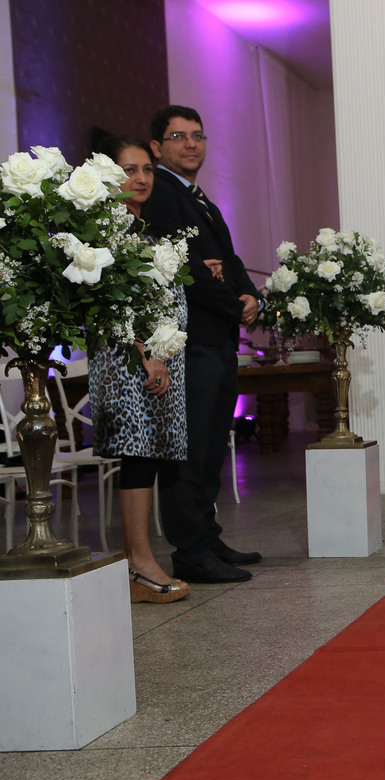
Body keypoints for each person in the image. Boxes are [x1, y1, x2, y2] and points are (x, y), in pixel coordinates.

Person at [141, 105, 263, 584]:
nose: (191, 144)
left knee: (212, 447)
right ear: (157, 146)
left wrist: (249, 292)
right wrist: (235, 304)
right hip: (190, 343)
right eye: (178, 136)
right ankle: (190, 551)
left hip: (217, 339)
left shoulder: (199, 197)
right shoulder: (163, 194)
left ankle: (208, 538)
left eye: (198, 136)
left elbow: (224, 257)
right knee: (190, 452)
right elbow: (186, 267)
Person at [89, 135, 190, 604]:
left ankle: (140, 562)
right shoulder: (106, 232)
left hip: (155, 360)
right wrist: (145, 354)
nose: (142, 178)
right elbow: (112, 306)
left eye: (147, 169)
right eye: (130, 169)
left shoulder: (144, 230)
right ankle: (139, 565)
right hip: (129, 362)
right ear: (109, 175)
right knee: (138, 455)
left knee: (146, 456)